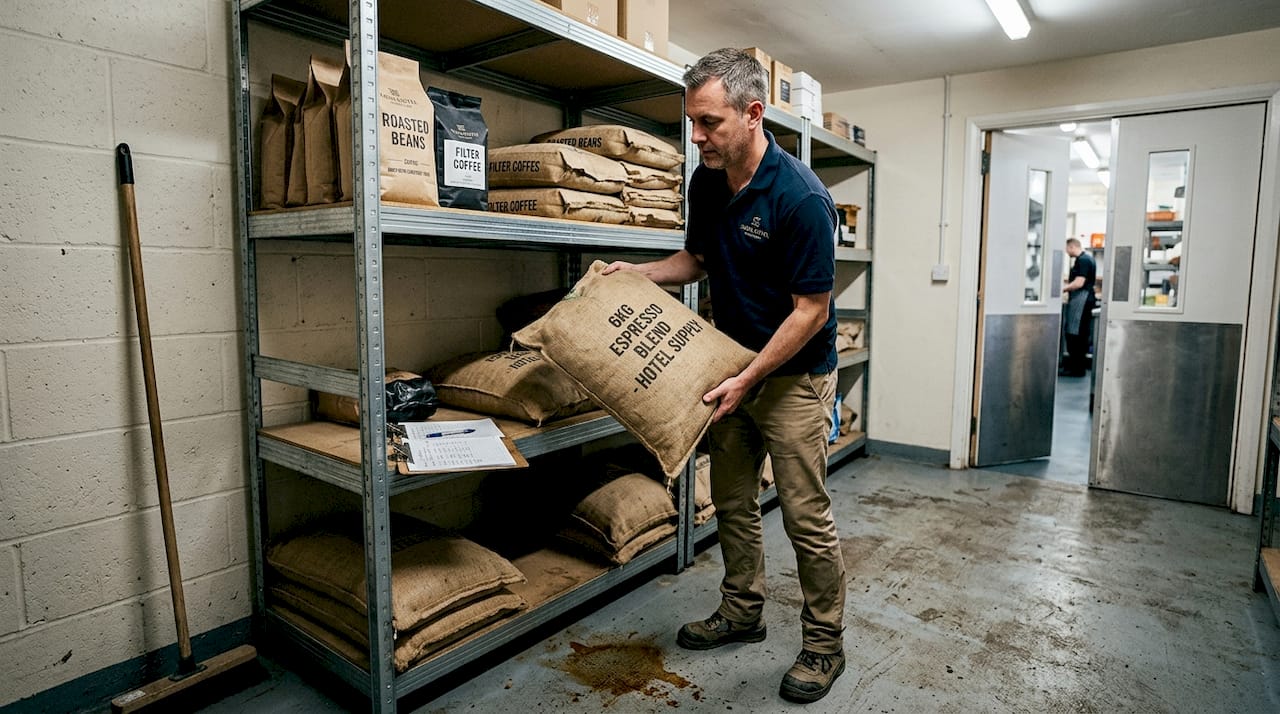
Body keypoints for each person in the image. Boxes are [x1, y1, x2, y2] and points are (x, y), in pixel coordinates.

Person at [602, 48, 847, 703]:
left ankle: (824, 647)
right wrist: (634, 273)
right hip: (730, 369)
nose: (697, 136)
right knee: (733, 502)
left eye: (708, 122)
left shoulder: (801, 197)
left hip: (793, 378)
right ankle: (743, 612)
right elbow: (696, 259)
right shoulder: (706, 181)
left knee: (805, 517)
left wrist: (750, 378)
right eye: (692, 121)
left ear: (752, 114)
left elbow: (810, 311)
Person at [1062, 238, 1097, 377]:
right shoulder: (1088, 259)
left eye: (1066, 249)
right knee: (1078, 333)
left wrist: (1063, 289)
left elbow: (1079, 282)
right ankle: (1076, 367)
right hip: (1082, 299)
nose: (1066, 252)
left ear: (1072, 247)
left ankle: (1076, 369)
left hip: (1081, 300)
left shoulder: (1083, 260)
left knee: (1074, 333)